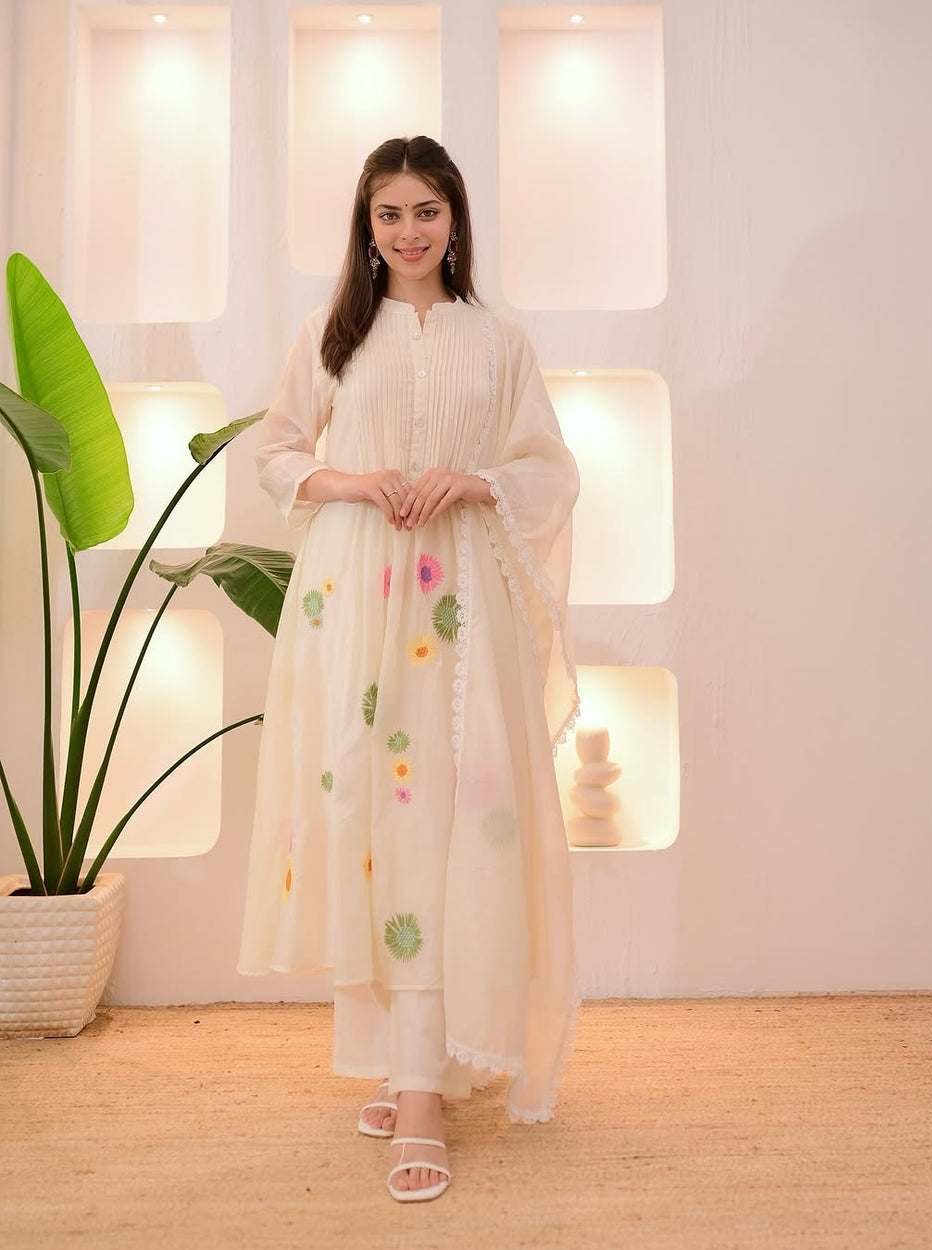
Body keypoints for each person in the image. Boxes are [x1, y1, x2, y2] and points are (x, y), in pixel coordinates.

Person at [237, 136, 580, 1203]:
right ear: (367, 225)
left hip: (460, 607)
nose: (408, 231)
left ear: (455, 219)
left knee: (447, 820)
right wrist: (355, 480)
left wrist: (472, 480)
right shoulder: (328, 336)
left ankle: (423, 1087)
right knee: (369, 820)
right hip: (353, 602)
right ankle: (404, 1058)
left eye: (426, 210)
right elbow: (275, 453)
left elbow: (548, 469)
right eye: (388, 213)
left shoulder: (499, 341)